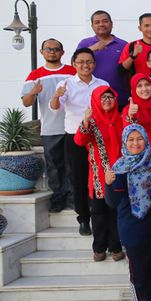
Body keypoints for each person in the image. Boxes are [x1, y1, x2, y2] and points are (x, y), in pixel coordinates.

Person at [105, 124, 151, 301]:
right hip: (132, 225)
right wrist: (108, 184)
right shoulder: (120, 167)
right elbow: (112, 203)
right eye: (130, 140)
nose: (135, 143)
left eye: (139, 138)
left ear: (146, 139)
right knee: (138, 268)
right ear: (125, 142)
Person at [50, 47, 108, 236]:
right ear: (74, 64)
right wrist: (56, 96)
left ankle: (101, 214)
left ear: (94, 64)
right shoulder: (66, 83)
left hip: (98, 138)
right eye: (81, 62)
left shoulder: (102, 84)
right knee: (78, 177)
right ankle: (83, 218)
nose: (85, 65)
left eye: (89, 61)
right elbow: (55, 107)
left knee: (100, 177)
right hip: (75, 137)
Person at [21, 38, 77, 212]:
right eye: (48, 49)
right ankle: (58, 199)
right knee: (54, 166)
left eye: (56, 49)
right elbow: (26, 103)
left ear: (62, 52)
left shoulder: (72, 72)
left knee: (72, 166)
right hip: (50, 128)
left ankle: (73, 200)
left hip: (72, 127)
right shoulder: (35, 75)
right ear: (42, 52)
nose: (52, 52)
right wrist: (33, 92)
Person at [74, 86, 124, 262]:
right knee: (99, 214)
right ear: (96, 100)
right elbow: (80, 140)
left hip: (118, 175)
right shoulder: (92, 121)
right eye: (103, 98)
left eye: (110, 96)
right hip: (98, 177)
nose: (107, 100)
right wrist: (86, 122)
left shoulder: (121, 119)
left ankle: (116, 247)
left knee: (115, 213)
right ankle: (99, 248)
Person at [77, 10, 129, 107]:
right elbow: (75, 61)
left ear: (111, 23)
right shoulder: (85, 43)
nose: (101, 24)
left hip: (119, 97)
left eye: (105, 21)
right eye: (97, 22)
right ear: (92, 26)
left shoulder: (123, 44)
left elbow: (129, 70)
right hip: (92, 97)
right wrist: (93, 48)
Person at [122, 74, 151, 152]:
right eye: (139, 86)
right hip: (141, 152)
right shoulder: (128, 109)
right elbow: (128, 136)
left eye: (147, 85)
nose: (144, 89)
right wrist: (130, 115)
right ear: (133, 89)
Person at [118, 13, 151, 79]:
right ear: (140, 28)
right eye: (146, 26)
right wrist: (133, 56)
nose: (150, 29)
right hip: (140, 87)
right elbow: (121, 70)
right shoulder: (131, 46)